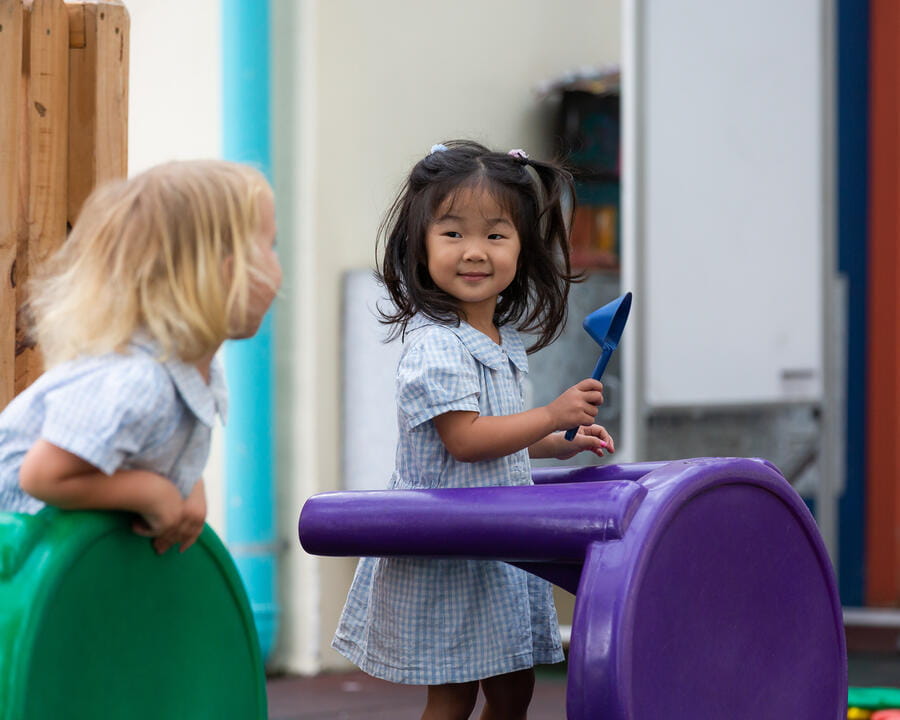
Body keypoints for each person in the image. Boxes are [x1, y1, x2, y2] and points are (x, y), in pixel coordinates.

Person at [333, 140, 615, 720]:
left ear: (521, 249)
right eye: (453, 233)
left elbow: (500, 435)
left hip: (497, 544)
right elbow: (464, 441)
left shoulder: (499, 341)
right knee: (455, 693)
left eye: (495, 235)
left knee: (514, 689)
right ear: (421, 245)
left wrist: (558, 442)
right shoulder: (437, 347)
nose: (474, 252)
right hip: (452, 543)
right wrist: (551, 415)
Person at [0, 159, 282, 555]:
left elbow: (139, 447)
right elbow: (42, 475)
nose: (277, 267)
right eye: (270, 246)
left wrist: (188, 486)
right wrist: (152, 492)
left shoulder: (194, 374)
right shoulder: (140, 381)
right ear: (224, 272)